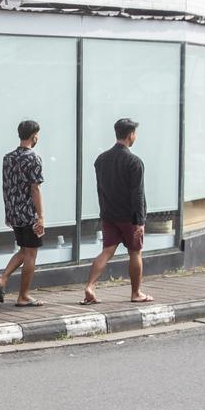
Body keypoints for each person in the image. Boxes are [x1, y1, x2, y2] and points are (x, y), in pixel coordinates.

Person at [82, 118, 152, 305]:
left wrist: (104, 211)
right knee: (135, 252)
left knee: (106, 251)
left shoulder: (101, 159)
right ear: (131, 135)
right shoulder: (134, 162)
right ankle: (136, 293)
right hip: (129, 217)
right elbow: (137, 194)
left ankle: (90, 286)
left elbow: (100, 188)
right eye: (135, 134)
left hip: (109, 215)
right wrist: (140, 221)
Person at [0, 120, 45, 307]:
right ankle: (23, 296)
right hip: (28, 213)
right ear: (33, 136)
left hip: (13, 212)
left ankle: (3, 278)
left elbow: (6, 185)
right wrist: (41, 216)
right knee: (31, 254)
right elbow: (35, 189)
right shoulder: (34, 158)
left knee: (23, 250)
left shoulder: (8, 158)